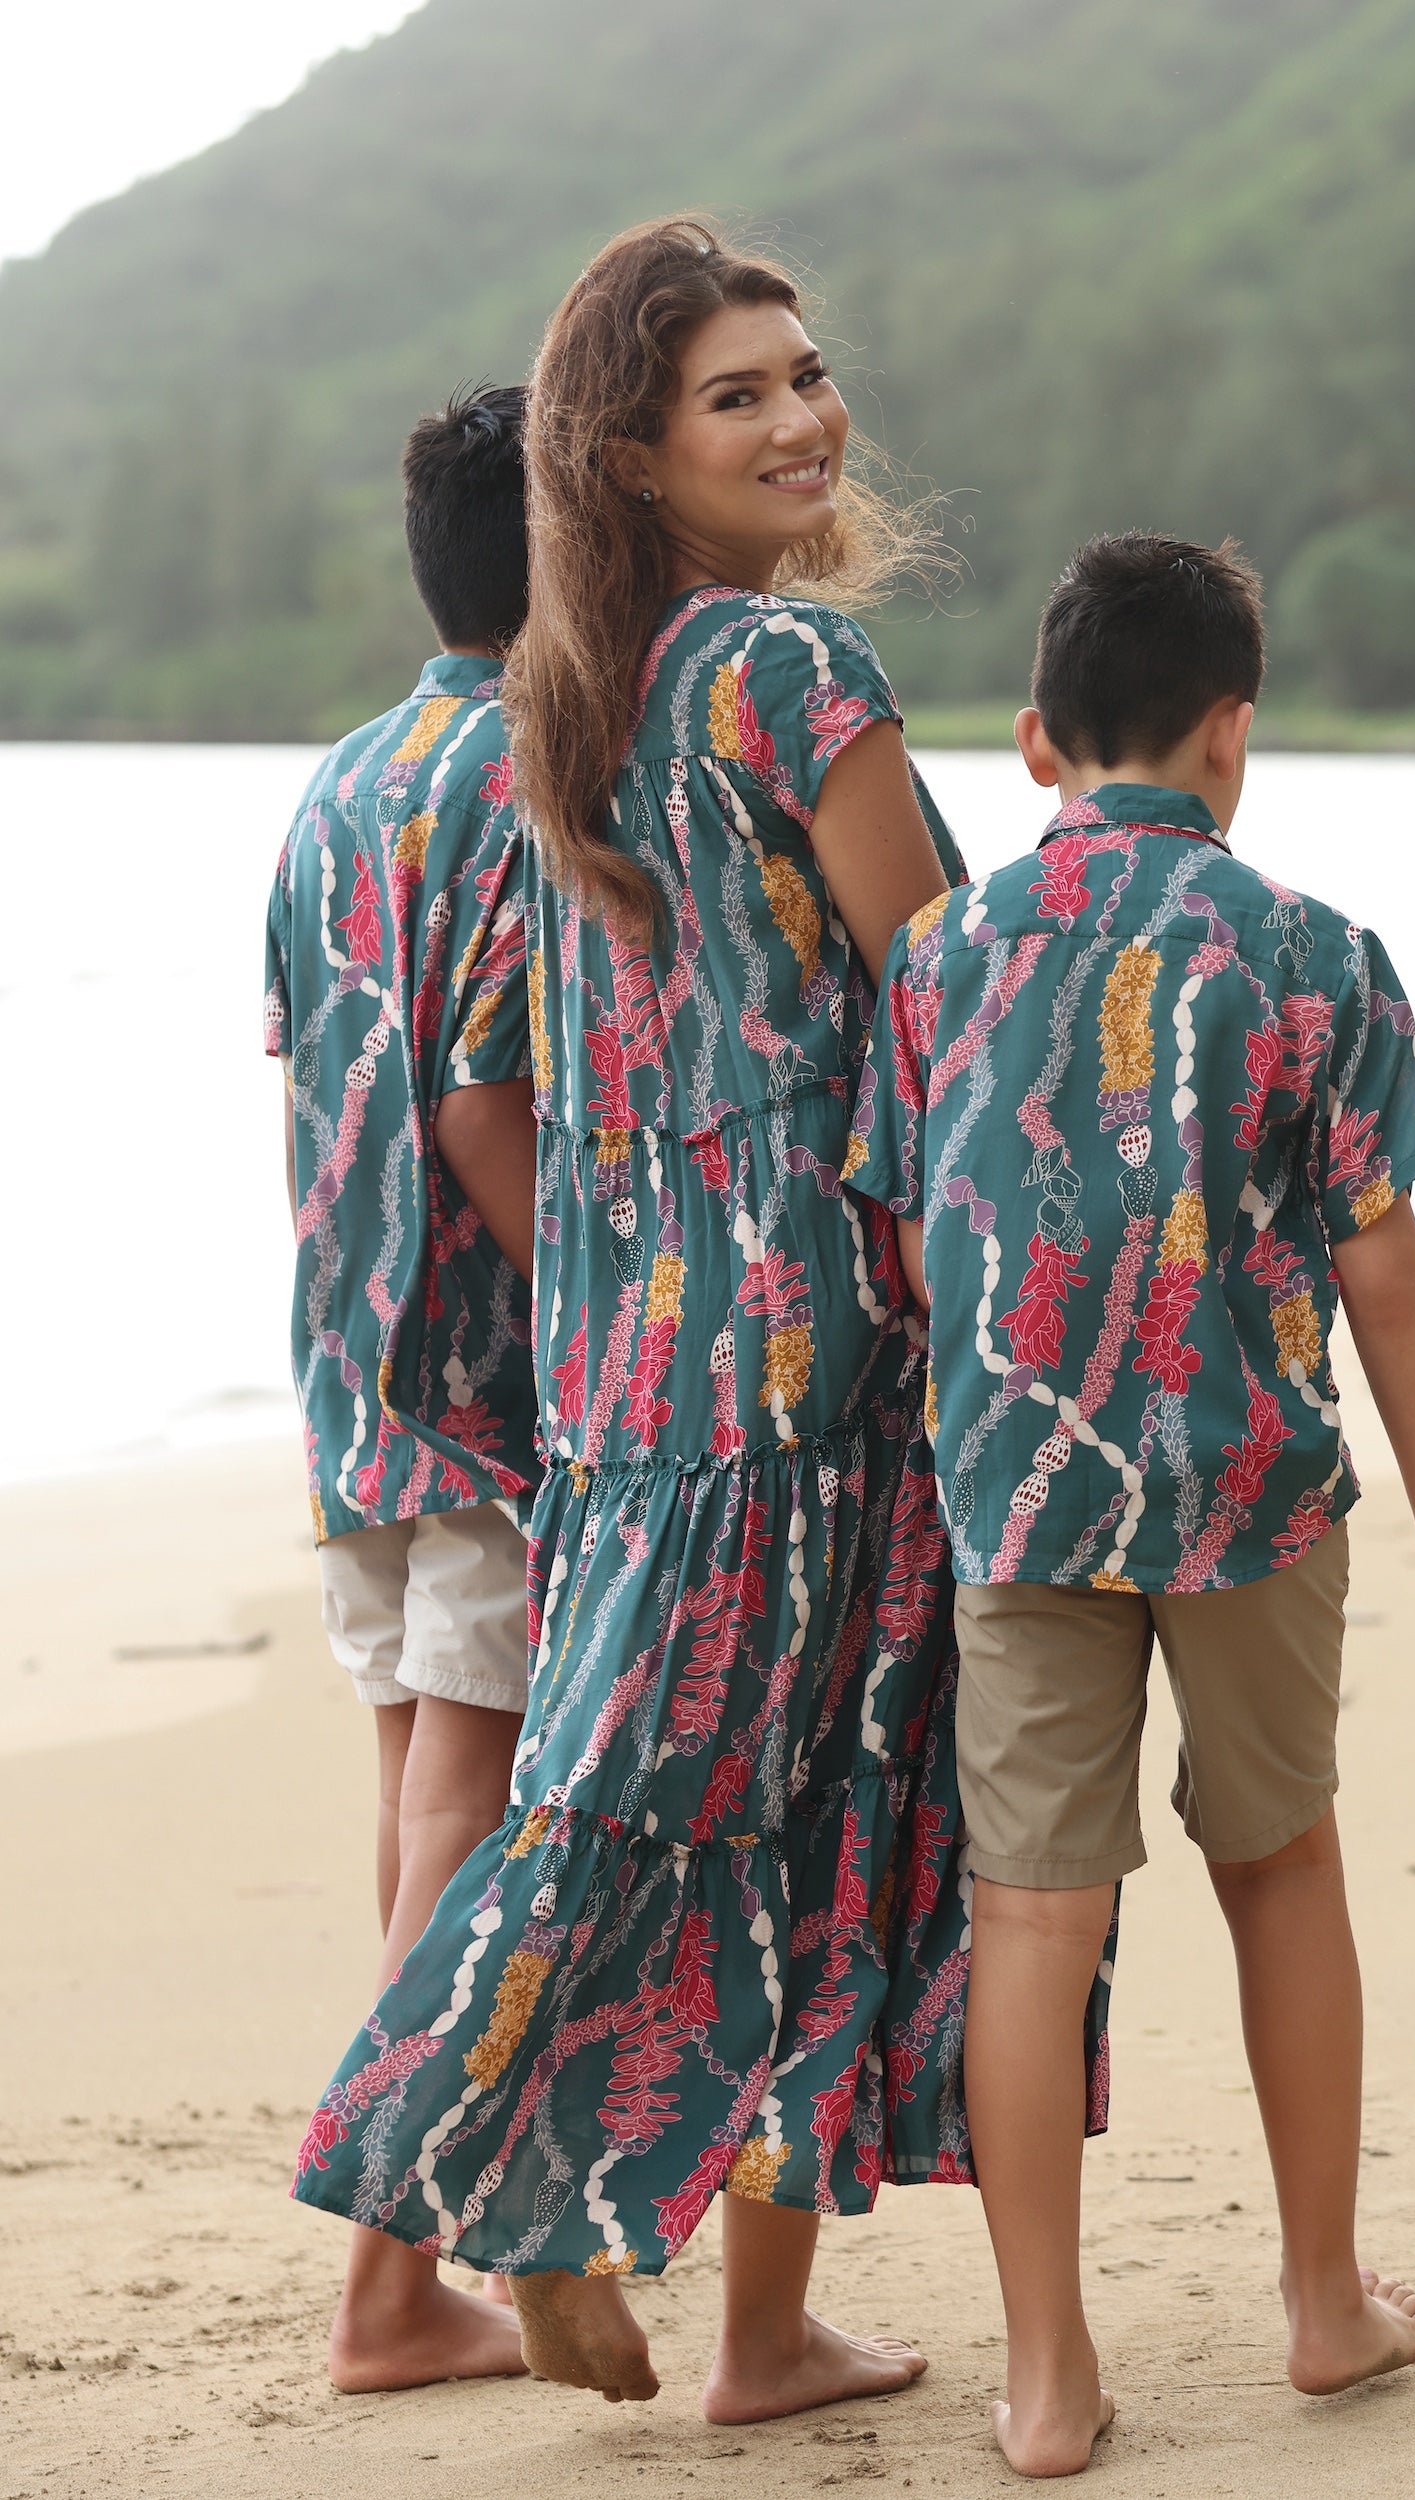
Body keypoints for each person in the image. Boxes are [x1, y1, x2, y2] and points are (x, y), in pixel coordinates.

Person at [293, 219, 1118, 2420]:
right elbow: (945, 1006)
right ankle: (604, 2245)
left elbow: (528, 1063)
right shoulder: (789, 674)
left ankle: (722, 2299)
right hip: (821, 1341)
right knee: (785, 1813)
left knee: (670, 1801)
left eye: (804, 373)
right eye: (734, 393)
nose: (798, 416)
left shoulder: (571, 693)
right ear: (632, 453)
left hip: (629, 1348)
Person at [847, 530, 1415, 2477]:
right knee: (1282, 1865)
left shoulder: (939, 956)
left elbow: (901, 1239)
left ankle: (1047, 2377)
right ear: (1234, 731)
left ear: (1035, 742)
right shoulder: (1310, 952)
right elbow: (1383, 1265)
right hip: (1248, 1492)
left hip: (1020, 1500)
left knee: (1031, 1917)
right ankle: (1325, 2301)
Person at [265, 384, 542, 2390]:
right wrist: (595, 1332)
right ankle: (386, 2270)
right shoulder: (542, 772)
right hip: (484, 1370)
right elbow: (488, 1103)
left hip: (344, 1358)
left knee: (414, 1785)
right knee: (470, 1792)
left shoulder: (339, 779)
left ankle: (423, 2252)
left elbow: (303, 1066)